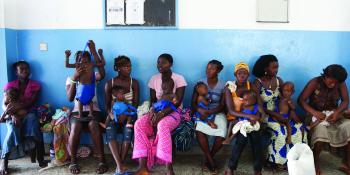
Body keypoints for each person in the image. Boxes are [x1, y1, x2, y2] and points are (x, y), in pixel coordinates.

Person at [133, 53, 187, 175]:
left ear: (171, 64)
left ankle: (169, 170)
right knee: (139, 124)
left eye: (164, 62)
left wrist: (161, 114)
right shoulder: (154, 79)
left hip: (174, 111)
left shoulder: (179, 79)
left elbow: (177, 103)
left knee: (162, 125)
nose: (160, 65)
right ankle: (142, 167)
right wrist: (152, 112)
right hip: (156, 110)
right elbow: (153, 100)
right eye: (158, 62)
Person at [298, 64, 350, 175]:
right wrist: (315, 112)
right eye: (331, 81)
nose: (333, 84)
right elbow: (301, 100)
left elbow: (345, 101)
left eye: (336, 82)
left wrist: (337, 112)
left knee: (348, 126)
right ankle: (315, 163)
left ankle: (347, 163)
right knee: (321, 128)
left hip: (334, 115)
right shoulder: (314, 83)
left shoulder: (340, 83)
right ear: (325, 76)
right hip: (314, 115)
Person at [66, 41, 107, 174]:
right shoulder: (70, 78)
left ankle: (102, 161)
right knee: (76, 126)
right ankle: (73, 161)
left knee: (93, 125)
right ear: (76, 64)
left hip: (93, 111)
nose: (82, 64)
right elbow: (70, 98)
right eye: (79, 61)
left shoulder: (93, 76)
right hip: (77, 111)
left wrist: (94, 51)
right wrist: (74, 79)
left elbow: (102, 72)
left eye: (85, 61)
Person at [0, 61, 47, 175]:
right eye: (21, 69)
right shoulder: (10, 86)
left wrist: (21, 109)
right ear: (16, 72)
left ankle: (40, 158)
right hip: (12, 115)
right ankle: (4, 161)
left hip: (28, 112)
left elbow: (31, 102)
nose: (25, 70)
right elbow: (4, 104)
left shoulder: (35, 85)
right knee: (12, 130)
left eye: (27, 68)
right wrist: (13, 115)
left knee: (33, 122)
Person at [104, 55, 140, 174]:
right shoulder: (110, 84)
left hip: (129, 114)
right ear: (118, 68)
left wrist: (126, 115)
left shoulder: (134, 83)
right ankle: (120, 166)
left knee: (127, 131)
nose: (129, 68)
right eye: (126, 67)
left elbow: (135, 104)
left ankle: (120, 166)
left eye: (130, 66)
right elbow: (107, 106)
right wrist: (114, 116)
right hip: (114, 115)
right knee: (110, 130)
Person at [252, 54, 288, 169]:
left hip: (279, 113)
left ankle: (291, 159)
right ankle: (276, 161)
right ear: (265, 68)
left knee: (297, 128)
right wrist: (275, 115)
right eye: (274, 67)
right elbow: (259, 106)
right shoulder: (257, 83)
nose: (276, 70)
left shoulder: (279, 81)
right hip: (265, 115)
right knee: (280, 130)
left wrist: (283, 114)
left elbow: (284, 99)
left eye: (277, 67)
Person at [191, 60, 226, 174]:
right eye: (207, 68)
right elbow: (193, 103)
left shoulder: (223, 85)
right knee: (199, 130)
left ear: (218, 70)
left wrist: (211, 111)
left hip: (217, 112)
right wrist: (199, 109)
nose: (208, 71)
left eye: (212, 69)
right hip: (202, 112)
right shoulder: (200, 82)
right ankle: (211, 161)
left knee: (222, 133)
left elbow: (222, 105)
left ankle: (208, 158)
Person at [224, 90, 262, 175]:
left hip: (253, 126)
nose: (243, 101)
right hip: (243, 126)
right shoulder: (243, 106)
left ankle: (258, 169)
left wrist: (255, 119)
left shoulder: (257, 107)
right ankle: (230, 168)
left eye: (246, 100)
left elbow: (260, 116)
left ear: (253, 101)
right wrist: (247, 119)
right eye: (243, 100)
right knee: (240, 143)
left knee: (257, 144)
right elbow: (240, 115)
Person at [65, 42, 105, 118]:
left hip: (90, 90)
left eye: (85, 58)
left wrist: (99, 54)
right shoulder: (70, 78)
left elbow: (102, 65)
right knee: (80, 100)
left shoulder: (92, 67)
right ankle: (80, 115)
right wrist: (67, 57)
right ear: (76, 63)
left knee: (90, 101)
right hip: (78, 103)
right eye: (80, 59)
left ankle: (91, 113)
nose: (83, 60)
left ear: (89, 60)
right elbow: (67, 65)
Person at [223, 62, 253, 145]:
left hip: (247, 116)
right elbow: (231, 111)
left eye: (245, 73)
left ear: (248, 75)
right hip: (233, 116)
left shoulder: (251, 86)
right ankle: (228, 139)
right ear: (235, 74)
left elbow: (256, 103)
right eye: (239, 73)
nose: (242, 75)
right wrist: (250, 116)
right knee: (241, 137)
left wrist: (255, 115)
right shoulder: (230, 87)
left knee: (251, 135)